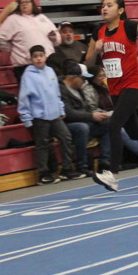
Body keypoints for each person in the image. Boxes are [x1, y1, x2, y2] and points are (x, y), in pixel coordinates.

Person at [84, 0, 138, 191]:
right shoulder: (98, 31)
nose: (104, 8)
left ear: (120, 10)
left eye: (109, 5)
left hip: (133, 82)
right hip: (115, 86)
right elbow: (89, 64)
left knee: (114, 124)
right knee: (134, 131)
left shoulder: (129, 26)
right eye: (103, 5)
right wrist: (96, 51)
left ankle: (112, 175)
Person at [17, 45, 83, 185]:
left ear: (45, 57)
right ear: (31, 59)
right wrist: (26, 117)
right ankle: (43, 173)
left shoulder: (50, 71)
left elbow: (56, 93)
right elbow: (24, 98)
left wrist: (61, 109)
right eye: (35, 56)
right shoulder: (28, 76)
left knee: (66, 137)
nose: (38, 59)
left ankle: (67, 169)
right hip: (39, 116)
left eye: (41, 55)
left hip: (55, 114)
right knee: (43, 143)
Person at [59, 63, 112, 175]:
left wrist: (99, 115)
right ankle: (82, 165)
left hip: (85, 121)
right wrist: (91, 116)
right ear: (74, 77)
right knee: (82, 128)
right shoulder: (62, 90)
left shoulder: (78, 89)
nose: (85, 82)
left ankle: (105, 161)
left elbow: (87, 108)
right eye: (83, 79)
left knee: (108, 124)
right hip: (68, 124)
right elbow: (69, 113)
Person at [0, 0, 58, 84]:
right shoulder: (13, 19)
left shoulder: (42, 17)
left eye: (27, 2)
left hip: (47, 62)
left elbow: (57, 36)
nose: (24, 4)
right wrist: (12, 49)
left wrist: (55, 38)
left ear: (32, 4)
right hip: (25, 65)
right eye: (21, 3)